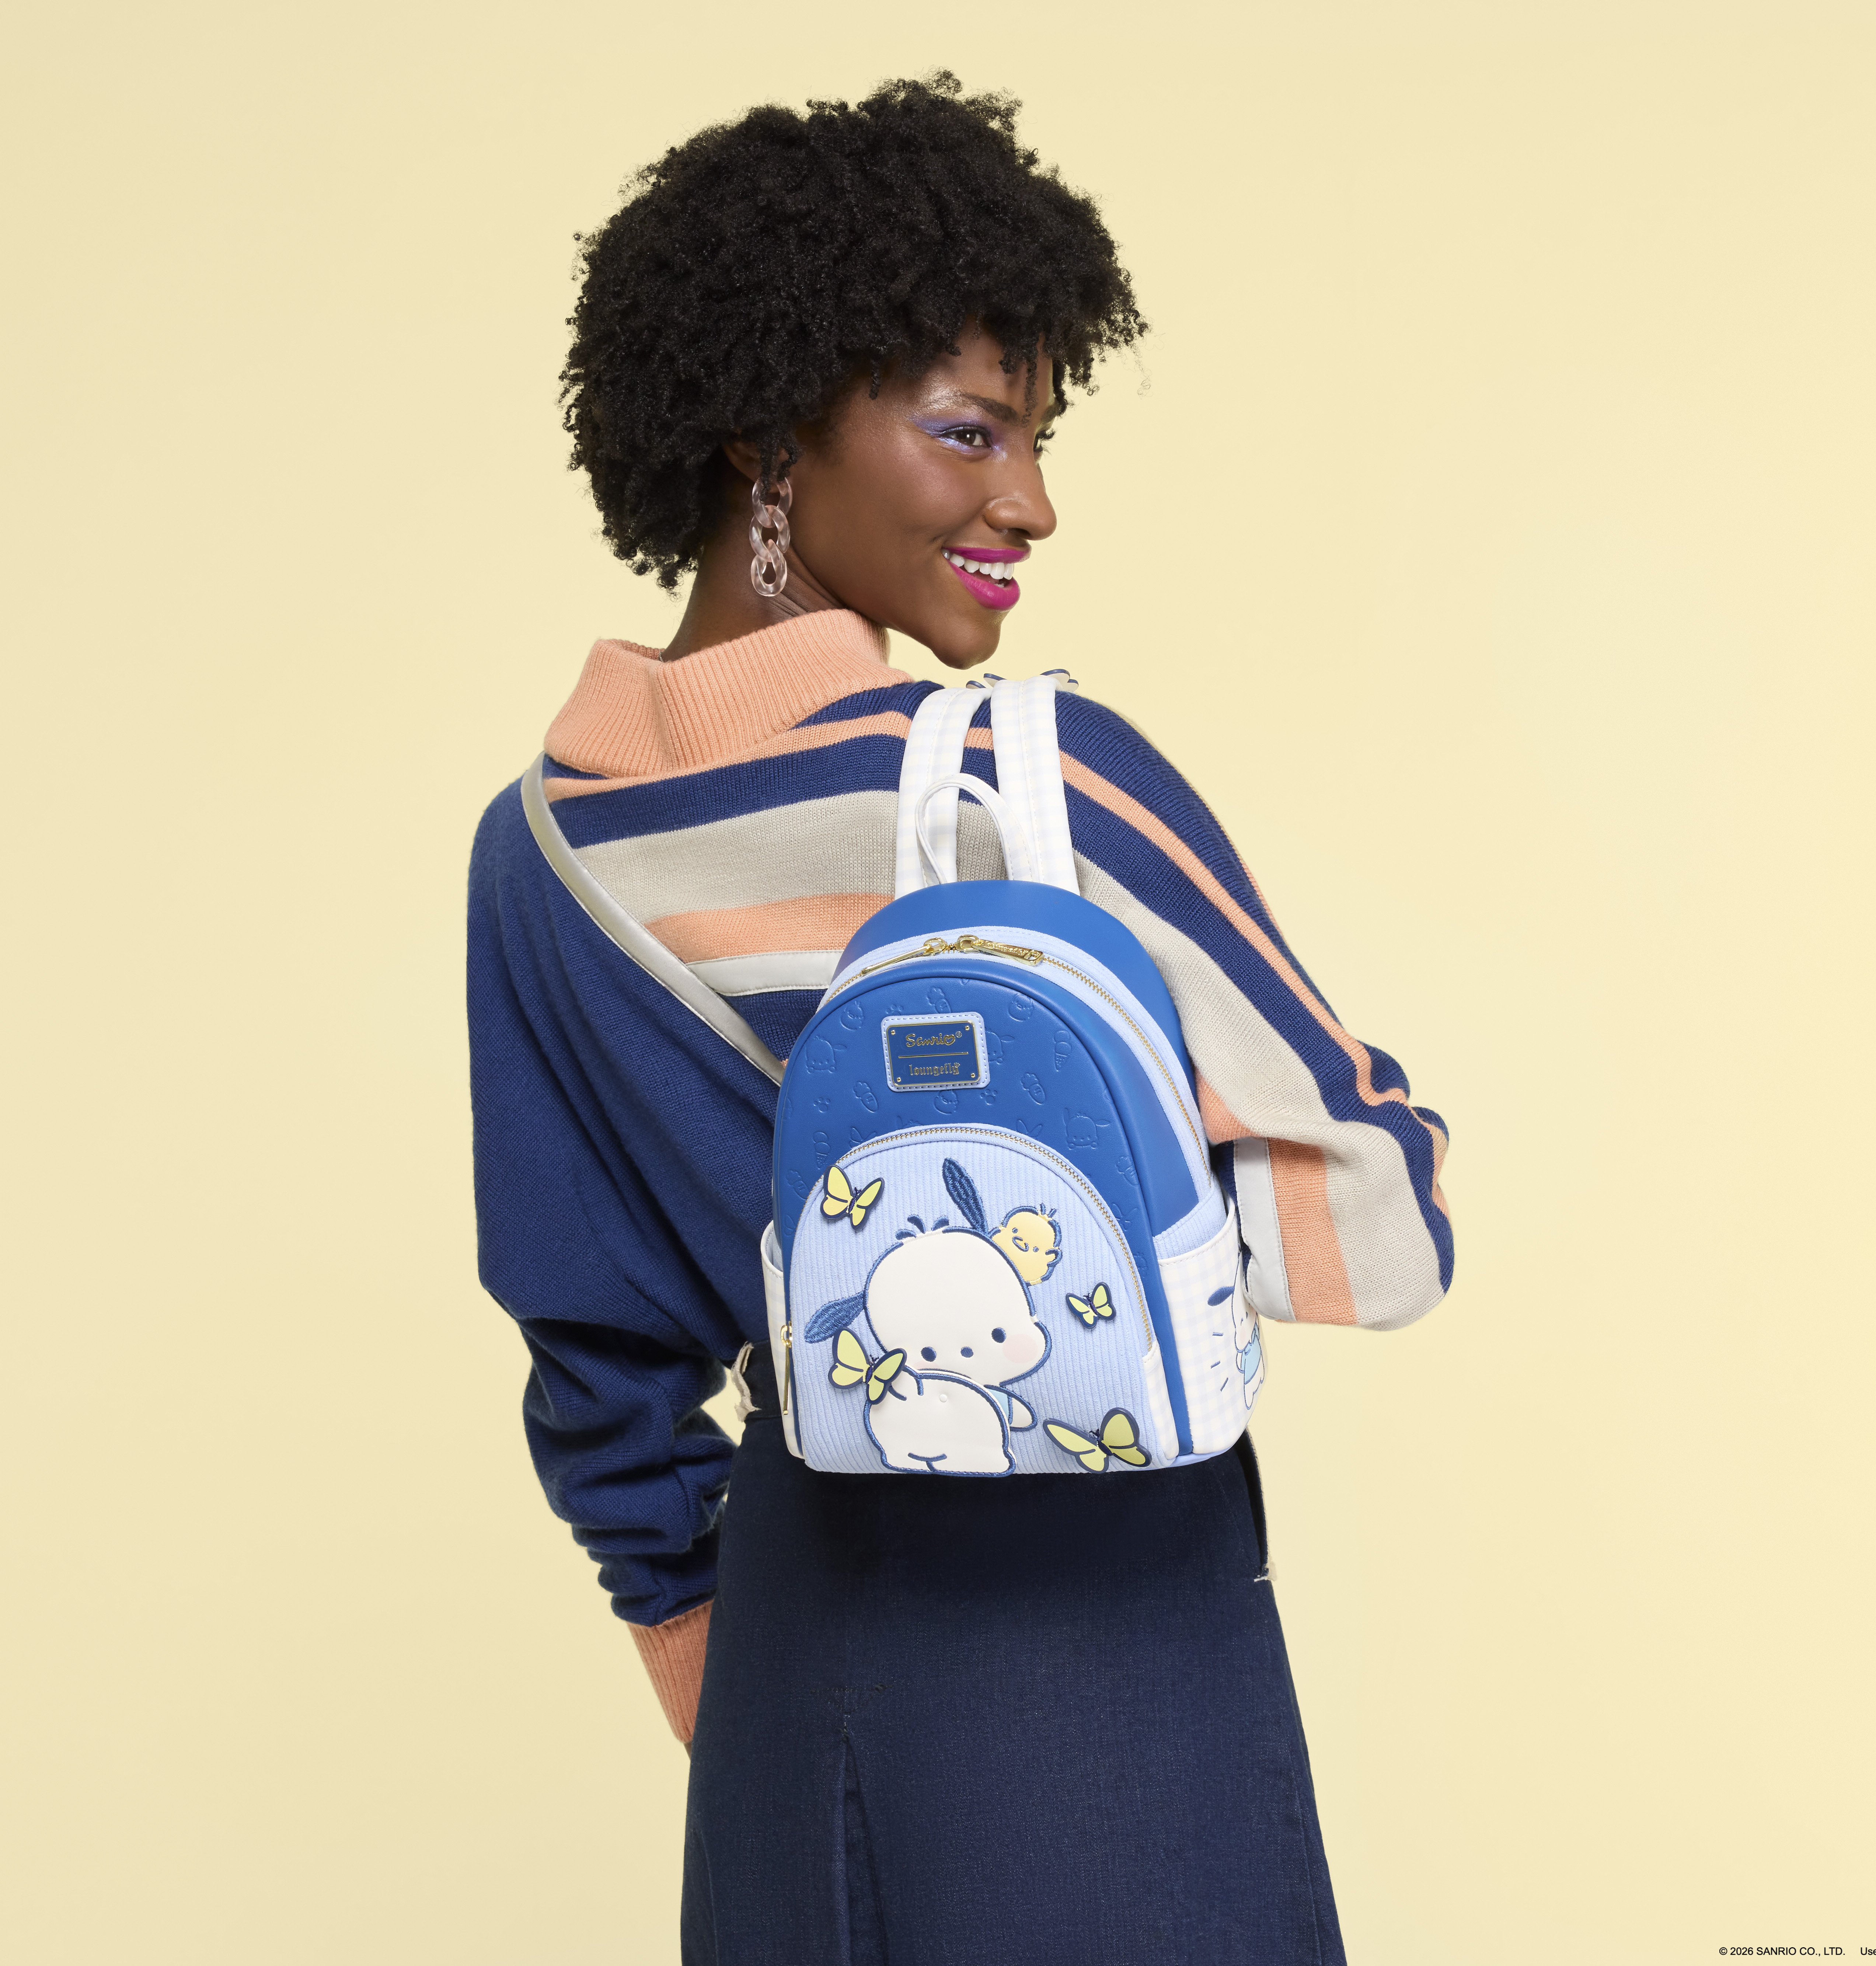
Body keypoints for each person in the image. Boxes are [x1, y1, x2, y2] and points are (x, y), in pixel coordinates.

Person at [467, 73, 1453, 1966]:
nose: (1032, 500)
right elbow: (1378, 1216)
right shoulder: (1039, 787)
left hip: (782, 1665)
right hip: (1103, 1646)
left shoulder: (531, 853)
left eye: (1036, 437)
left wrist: (705, 1638)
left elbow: (594, 1348)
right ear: (767, 435)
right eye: (966, 430)